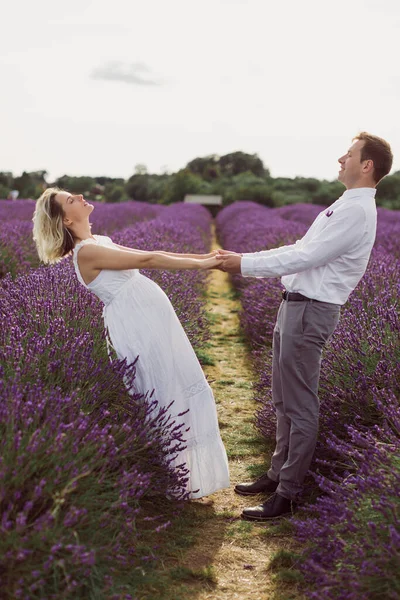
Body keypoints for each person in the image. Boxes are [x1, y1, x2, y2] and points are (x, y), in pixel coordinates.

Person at [217, 132, 393, 520]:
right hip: (295, 306)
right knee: (282, 399)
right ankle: (276, 473)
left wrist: (244, 265)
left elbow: (306, 256)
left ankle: (287, 493)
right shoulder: (344, 205)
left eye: (348, 155)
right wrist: (243, 257)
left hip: (312, 310)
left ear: (366, 165)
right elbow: (299, 248)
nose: (340, 159)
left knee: (299, 404)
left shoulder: (356, 211)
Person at [32, 188, 230, 499]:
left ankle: (188, 475)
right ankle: (174, 478)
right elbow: (149, 259)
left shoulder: (100, 242)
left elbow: (151, 251)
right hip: (136, 325)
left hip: (150, 320)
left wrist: (207, 257)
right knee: (164, 392)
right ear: (67, 219)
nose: (80, 196)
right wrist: (204, 266)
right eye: (71, 200)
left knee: (179, 383)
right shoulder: (86, 252)